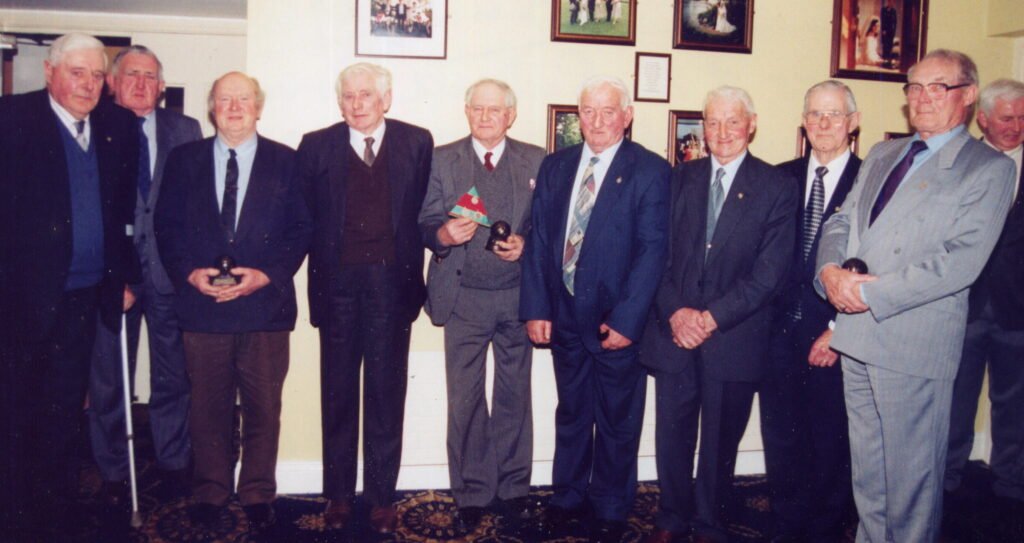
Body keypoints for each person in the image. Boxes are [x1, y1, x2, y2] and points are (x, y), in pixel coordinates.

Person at [815, 49, 1016, 542]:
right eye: (914, 87)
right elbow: (842, 220)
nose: (922, 98)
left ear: (967, 96)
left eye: (937, 87)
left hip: (911, 341)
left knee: (910, 485)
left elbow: (960, 261)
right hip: (858, 338)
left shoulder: (987, 169)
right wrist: (830, 270)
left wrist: (867, 293)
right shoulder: (886, 153)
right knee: (870, 478)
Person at [154, 71, 311, 531]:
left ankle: (258, 491)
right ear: (212, 108)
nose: (235, 107)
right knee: (207, 407)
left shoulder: (287, 161)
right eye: (225, 99)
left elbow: (303, 229)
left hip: (264, 309)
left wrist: (267, 275)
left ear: (259, 107)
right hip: (203, 308)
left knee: (264, 406)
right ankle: (211, 490)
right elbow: (166, 227)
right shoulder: (184, 159)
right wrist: (189, 273)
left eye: (244, 99)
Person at [640, 86, 798, 543]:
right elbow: (658, 258)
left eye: (733, 121)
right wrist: (675, 314)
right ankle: (671, 516)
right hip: (675, 333)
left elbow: (769, 275)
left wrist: (708, 319)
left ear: (751, 124)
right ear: (702, 128)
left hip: (734, 336)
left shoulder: (776, 187)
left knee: (718, 443)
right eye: (713, 122)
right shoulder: (679, 179)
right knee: (672, 434)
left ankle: (709, 522)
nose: (722, 131)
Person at [0, 32, 140, 539]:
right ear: (50, 73)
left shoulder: (117, 125)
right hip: (19, 300)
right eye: (76, 72)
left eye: (97, 75)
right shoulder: (11, 120)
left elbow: (122, 212)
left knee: (63, 411)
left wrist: (123, 276)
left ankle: (53, 511)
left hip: (85, 297)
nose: (87, 84)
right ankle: (14, 516)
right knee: (16, 410)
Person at [520, 75, 670, 543]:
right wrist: (537, 308)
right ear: (577, 116)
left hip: (615, 322)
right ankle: (566, 497)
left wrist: (628, 320)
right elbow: (541, 238)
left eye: (609, 111)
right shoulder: (556, 166)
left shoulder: (650, 170)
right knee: (571, 412)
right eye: (589, 111)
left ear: (627, 116)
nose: (598, 121)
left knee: (617, 420)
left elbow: (652, 251)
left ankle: (609, 505)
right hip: (563, 315)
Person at [297, 62, 433, 534]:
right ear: (340, 102)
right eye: (349, 96)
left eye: (366, 96)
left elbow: (425, 212)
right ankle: (337, 494)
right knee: (336, 393)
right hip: (336, 287)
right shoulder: (316, 145)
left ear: (386, 100)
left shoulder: (417, 143)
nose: (357, 104)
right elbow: (302, 219)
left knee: (385, 394)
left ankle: (380, 497)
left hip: (391, 289)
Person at [418, 78, 546, 532]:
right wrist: (442, 234)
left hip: (516, 297)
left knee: (514, 395)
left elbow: (547, 226)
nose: (486, 116)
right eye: (478, 109)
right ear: (466, 111)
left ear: (511, 115)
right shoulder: (442, 158)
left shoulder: (536, 159)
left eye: (496, 110)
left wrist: (527, 246)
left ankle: (513, 488)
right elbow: (425, 217)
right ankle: (472, 490)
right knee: (465, 396)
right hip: (463, 297)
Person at [87, 44, 203, 509]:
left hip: (170, 272)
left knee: (173, 374)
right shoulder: (94, 128)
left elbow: (196, 205)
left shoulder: (186, 129)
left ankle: (174, 461)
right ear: (113, 82)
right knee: (110, 377)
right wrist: (116, 276)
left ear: (161, 86)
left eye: (150, 75)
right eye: (131, 74)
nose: (141, 83)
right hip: (114, 275)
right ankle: (114, 469)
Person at [761, 80, 862, 542]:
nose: (823, 124)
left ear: (853, 123)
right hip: (776, 334)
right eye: (815, 115)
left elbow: (875, 265)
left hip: (832, 335)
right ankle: (786, 526)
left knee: (829, 442)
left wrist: (839, 331)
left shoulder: (871, 181)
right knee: (781, 437)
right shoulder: (778, 177)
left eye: (834, 115)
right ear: (803, 122)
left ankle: (822, 532)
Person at [945, 78, 1024, 506]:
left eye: (1023, 118)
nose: (1016, 127)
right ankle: (947, 478)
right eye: (1007, 118)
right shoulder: (962, 161)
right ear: (984, 119)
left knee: (1015, 404)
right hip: (965, 306)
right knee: (955, 401)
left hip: (1019, 312)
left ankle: (1012, 484)